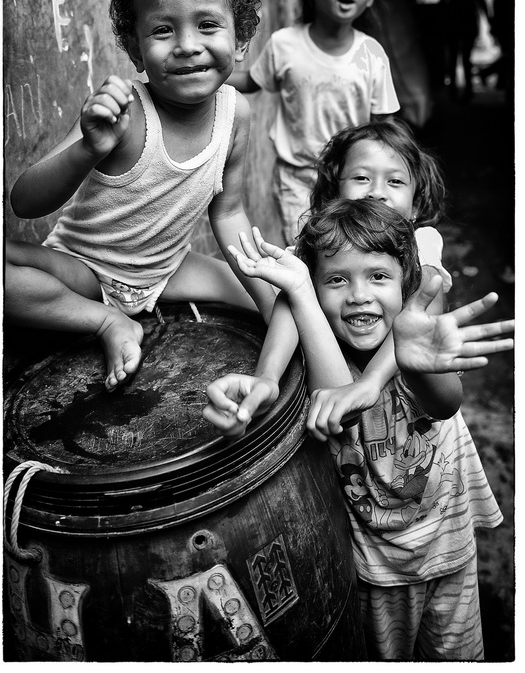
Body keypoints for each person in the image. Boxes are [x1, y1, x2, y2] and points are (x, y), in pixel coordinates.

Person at [216, 198, 514, 661]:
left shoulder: (412, 350)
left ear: (405, 284)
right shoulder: (318, 356)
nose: (358, 295)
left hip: (446, 548)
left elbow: (446, 402)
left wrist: (418, 369)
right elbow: (340, 408)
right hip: (371, 569)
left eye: (378, 276)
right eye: (337, 280)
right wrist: (296, 300)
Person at [5, 0, 277, 392]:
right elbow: (24, 202)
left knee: (282, 299)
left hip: (169, 270)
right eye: (163, 30)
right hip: (85, 270)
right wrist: (88, 148)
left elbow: (228, 213)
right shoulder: (123, 111)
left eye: (208, 25)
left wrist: (273, 303)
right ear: (135, 49)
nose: (188, 45)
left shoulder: (237, 113)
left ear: (241, 39)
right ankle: (104, 322)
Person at [204, 117, 451, 436]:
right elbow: (291, 298)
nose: (376, 192)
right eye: (361, 177)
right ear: (334, 193)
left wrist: (369, 383)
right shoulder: (319, 251)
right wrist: (268, 377)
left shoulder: (422, 242)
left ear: (416, 205)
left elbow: (427, 304)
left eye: (395, 182)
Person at [228, 0, 400, 244]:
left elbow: (384, 129)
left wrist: (389, 181)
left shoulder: (372, 54)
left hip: (353, 182)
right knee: (306, 255)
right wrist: (207, 72)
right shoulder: (285, 44)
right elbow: (251, 81)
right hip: (297, 180)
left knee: (349, 255)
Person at [440, 0, 489, 100]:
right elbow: (481, 2)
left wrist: (443, 23)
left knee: (453, 58)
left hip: (453, 25)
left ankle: (453, 91)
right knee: (466, 59)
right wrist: (488, 19)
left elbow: (442, 6)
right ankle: (468, 91)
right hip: (468, 25)